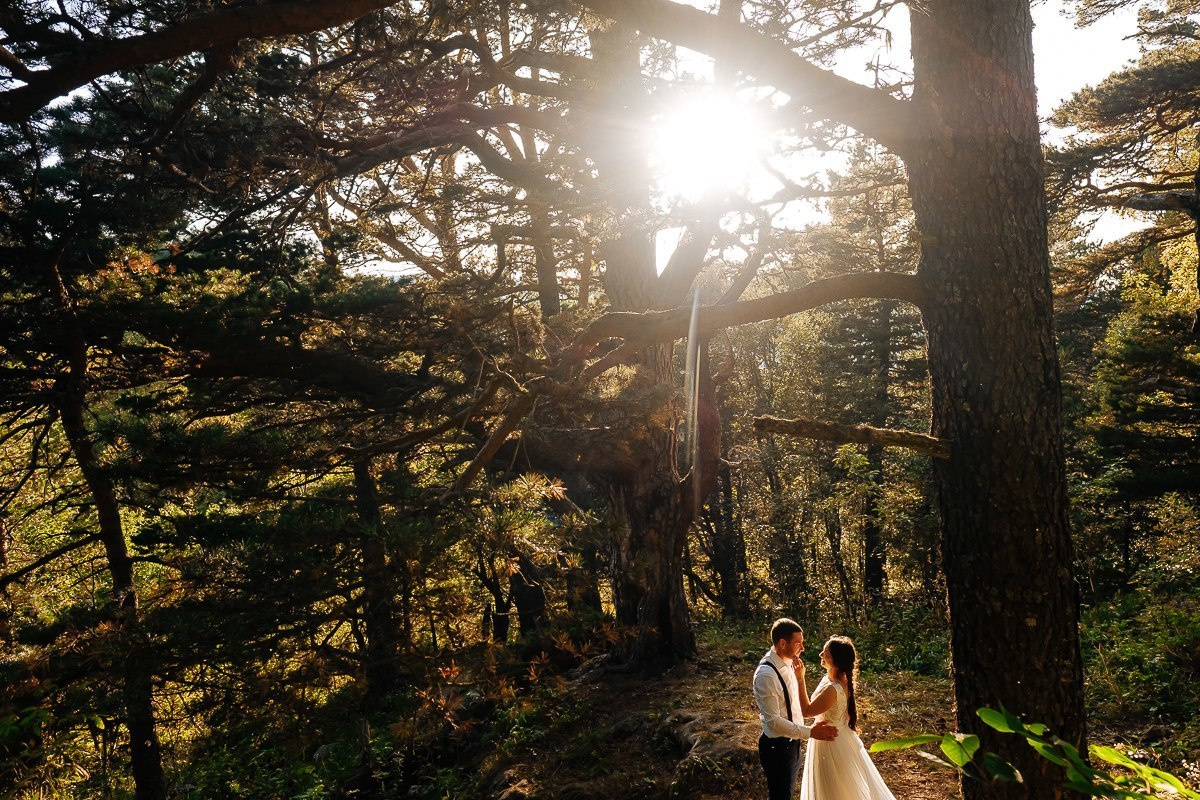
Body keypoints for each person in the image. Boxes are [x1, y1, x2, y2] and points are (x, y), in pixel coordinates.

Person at [795, 635, 897, 800]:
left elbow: (807, 711)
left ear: (836, 660)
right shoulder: (834, 679)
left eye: (826, 653)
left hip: (831, 743)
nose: (820, 654)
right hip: (833, 737)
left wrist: (800, 679)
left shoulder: (833, 689)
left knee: (833, 791)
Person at [753, 618, 839, 800]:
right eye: (798, 643)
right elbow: (773, 722)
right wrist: (810, 732)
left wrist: (801, 678)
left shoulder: (790, 663)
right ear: (782, 644)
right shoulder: (766, 675)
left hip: (793, 744)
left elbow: (794, 704)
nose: (803, 648)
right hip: (777, 748)